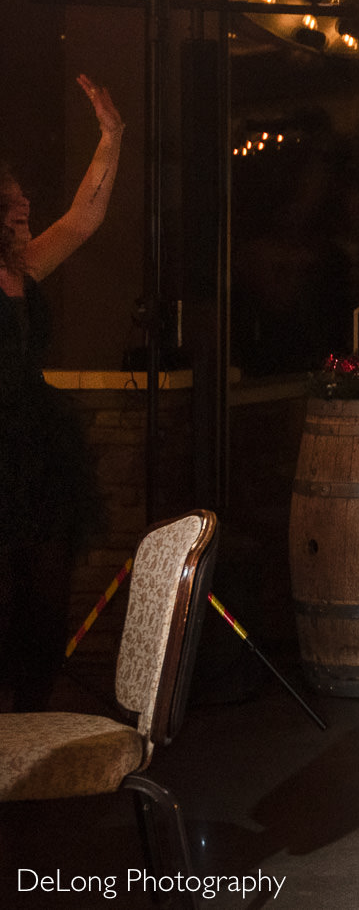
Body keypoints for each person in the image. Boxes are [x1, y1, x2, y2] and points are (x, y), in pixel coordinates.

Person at [0, 75, 124, 712]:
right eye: (10, 208)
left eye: (23, 202)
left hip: (38, 444)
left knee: (45, 587)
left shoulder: (25, 267)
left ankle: (33, 713)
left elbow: (84, 218)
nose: (23, 211)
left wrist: (111, 136)